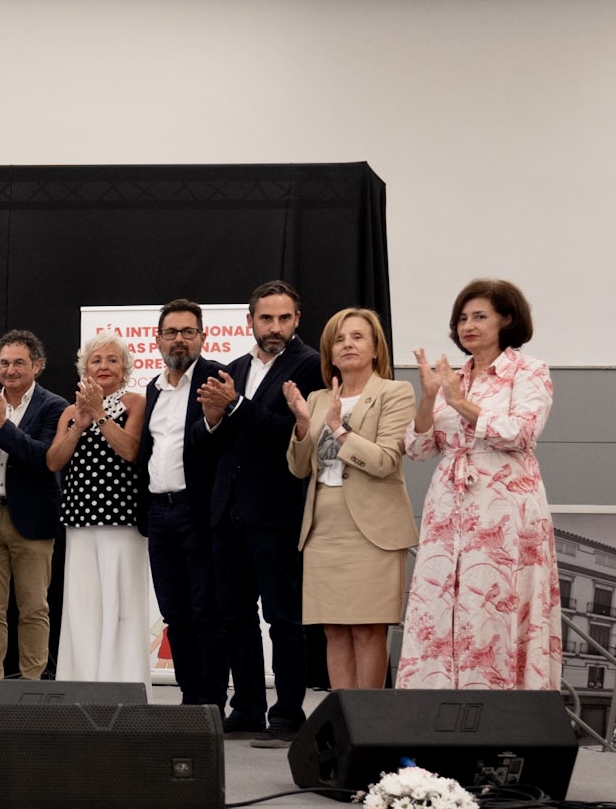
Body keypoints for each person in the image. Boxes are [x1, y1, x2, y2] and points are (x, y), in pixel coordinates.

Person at [397, 280, 560, 690]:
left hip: (504, 503)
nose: (468, 325)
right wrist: (428, 397)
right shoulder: (452, 377)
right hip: (447, 503)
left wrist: (458, 402)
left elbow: (521, 431)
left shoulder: (529, 370)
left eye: (480, 316)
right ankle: (434, 705)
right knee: (440, 601)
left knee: (493, 599)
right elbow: (418, 449)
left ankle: (499, 706)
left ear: (506, 319)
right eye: (462, 318)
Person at [198, 279, 326, 737]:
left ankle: (288, 711)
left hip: (276, 510)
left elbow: (290, 433)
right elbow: (209, 442)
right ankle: (248, 707)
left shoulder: (309, 365)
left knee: (283, 617)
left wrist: (234, 406)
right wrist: (213, 419)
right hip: (227, 511)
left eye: (284, 318)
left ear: (297, 319)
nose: (275, 327)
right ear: (249, 320)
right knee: (234, 616)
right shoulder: (232, 368)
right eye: (266, 318)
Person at [286, 308, 417, 690]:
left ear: (376, 348)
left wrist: (339, 429)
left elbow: (385, 461)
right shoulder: (317, 398)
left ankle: (367, 718)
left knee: (366, 629)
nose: (347, 344)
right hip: (323, 528)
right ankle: (342, 716)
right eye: (339, 339)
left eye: (357, 337)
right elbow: (299, 468)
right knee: (335, 630)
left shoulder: (394, 392)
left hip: (372, 531)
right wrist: (302, 425)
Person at [48, 333, 152, 685]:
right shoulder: (69, 412)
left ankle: (123, 684)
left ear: (125, 368)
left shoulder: (136, 403)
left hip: (122, 522)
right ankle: (80, 683)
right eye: (96, 360)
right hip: (78, 522)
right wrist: (79, 424)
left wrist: (100, 415)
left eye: (112, 360)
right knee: (82, 607)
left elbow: (130, 450)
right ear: (85, 368)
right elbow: (53, 461)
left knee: (121, 606)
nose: (104, 366)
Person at [138, 299, 226, 710]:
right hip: (159, 512)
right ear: (157, 340)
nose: (179, 339)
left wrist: (215, 418)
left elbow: (226, 443)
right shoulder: (153, 389)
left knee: (206, 610)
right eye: (171, 332)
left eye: (188, 332)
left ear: (202, 337)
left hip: (198, 511)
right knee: (175, 613)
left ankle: (211, 701)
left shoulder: (216, 379)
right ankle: (191, 699)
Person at [0, 330, 67, 681]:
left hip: (32, 520)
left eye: (19, 363)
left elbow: (44, 459)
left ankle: (31, 686)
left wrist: (1, 425)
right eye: (4, 363)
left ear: (37, 366)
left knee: (33, 609)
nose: (10, 370)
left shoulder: (54, 406)